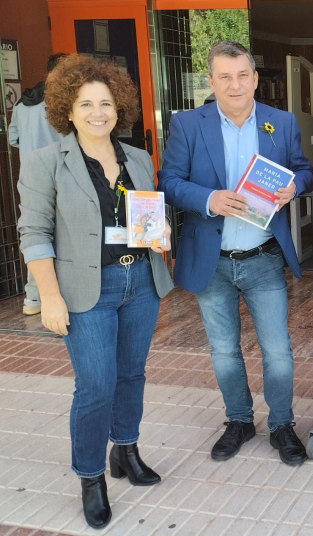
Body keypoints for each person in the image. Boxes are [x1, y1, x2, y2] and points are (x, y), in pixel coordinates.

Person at [16, 54, 174, 529]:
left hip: (140, 281)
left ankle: (125, 451)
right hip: (86, 290)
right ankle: (90, 477)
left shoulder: (139, 159)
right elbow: (34, 233)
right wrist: (50, 297)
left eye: (106, 103)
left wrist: (159, 232)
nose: (97, 113)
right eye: (85, 104)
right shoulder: (46, 161)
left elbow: (149, 222)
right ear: (67, 108)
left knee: (131, 375)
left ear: (119, 106)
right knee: (96, 386)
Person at [158, 41, 313, 467]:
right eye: (224, 76)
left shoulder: (280, 123)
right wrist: (209, 198)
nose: (235, 84)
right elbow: (168, 181)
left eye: (242, 75)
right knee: (224, 350)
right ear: (210, 82)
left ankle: (282, 424)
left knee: (278, 351)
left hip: (262, 256)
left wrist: (294, 187)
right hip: (212, 260)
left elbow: (303, 169)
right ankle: (240, 420)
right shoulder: (188, 124)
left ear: (255, 79)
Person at [9, 53, 67, 316]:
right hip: (61, 174)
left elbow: (13, 138)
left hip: (29, 178)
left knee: (35, 235)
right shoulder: (63, 102)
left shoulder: (22, 104)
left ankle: (33, 298)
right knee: (60, 235)